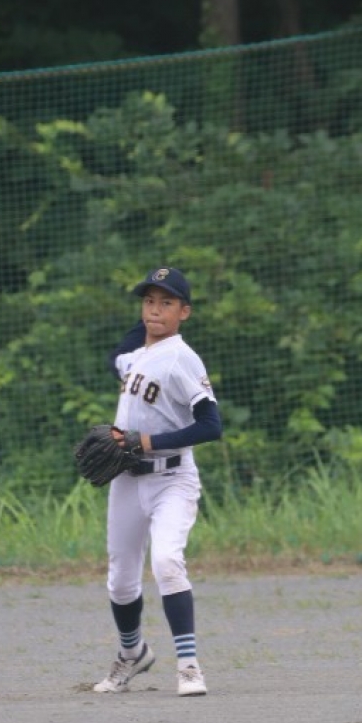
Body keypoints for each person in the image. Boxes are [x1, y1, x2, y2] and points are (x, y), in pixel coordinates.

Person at [93, 266, 223, 697]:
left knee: (167, 561)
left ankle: (189, 666)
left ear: (184, 312)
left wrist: (147, 441)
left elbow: (211, 425)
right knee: (120, 581)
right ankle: (132, 653)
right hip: (127, 480)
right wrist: (147, 322)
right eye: (149, 301)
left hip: (172, 478)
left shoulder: (183, 359)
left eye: (167, 303)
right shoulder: (135, 357)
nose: (155, 310)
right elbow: (117, 355)